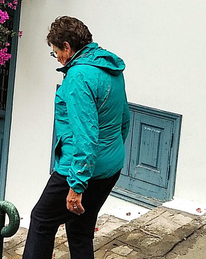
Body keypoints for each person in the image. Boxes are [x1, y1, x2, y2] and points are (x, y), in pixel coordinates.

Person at [23, 16, 130, 259]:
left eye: (56, 52)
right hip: (111, 167)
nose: (58, 58)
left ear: (68, 47)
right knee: (80, 229)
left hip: (81, 168)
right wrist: (109, 154)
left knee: (41, 220)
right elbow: (124, 119)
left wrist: (77, 185)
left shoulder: (78, 77)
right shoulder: (109, 67)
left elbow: (86, 136)